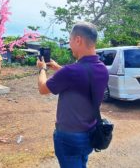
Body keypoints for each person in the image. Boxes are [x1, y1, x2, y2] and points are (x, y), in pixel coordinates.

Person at [36, 22, 109, 168]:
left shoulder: (71, 72)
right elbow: (82, 76)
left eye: (70, 40)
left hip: (69, 137)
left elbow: (43, 89)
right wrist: (58, 68)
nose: (69, 45)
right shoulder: (102, 69)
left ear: (78, 40)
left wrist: (42, 69)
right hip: (90, 132)